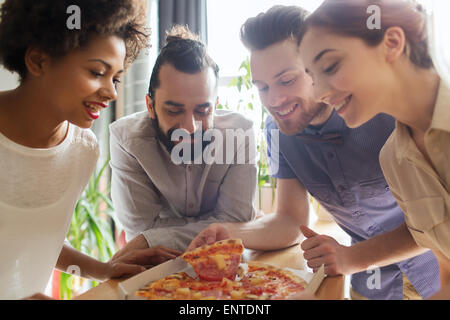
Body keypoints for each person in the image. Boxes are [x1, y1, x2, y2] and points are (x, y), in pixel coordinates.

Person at [188, 5, 441, 300]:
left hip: (438, 271)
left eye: (286, 80)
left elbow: (436, 222)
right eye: (262, 87)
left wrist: (352, 258)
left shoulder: (385, 110)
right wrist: (231, 233)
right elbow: (290, 220)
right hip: (372, 288)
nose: (274, 99)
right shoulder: (278, 131)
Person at [0, 0, 180, 300]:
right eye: (97, 72)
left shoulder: (82, 151)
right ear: (38, 61)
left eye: (116, 77)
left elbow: (34, 237)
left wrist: (104, 270)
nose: (111, 92)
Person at [298, 0, 450, 296]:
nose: (319, 92)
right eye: (313, 78)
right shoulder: (394, 160)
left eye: (330, 66)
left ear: (391, 42)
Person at [108, 25, 258, 258]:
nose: (190, 127)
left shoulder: (241, 134)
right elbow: (142, 229)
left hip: (222, 260)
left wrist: (152, 239)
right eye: (174, 110)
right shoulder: (127, 141)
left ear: (215, 106)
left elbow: (235, 220)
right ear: (151, 106)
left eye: (202, 110)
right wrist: (217, 226)